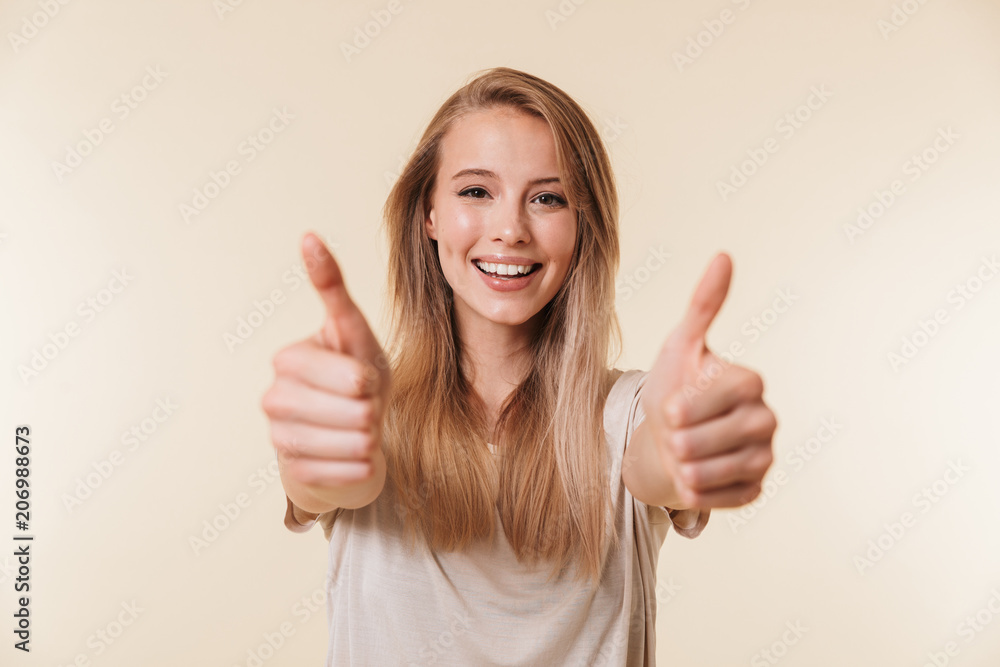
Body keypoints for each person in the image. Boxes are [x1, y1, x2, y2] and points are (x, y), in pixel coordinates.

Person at [260, 66, 777, 666]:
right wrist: (316, 448)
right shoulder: (365, 414)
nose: (510, 229)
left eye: (548, 198)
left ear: (584, 229)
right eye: (476, 191)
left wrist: (692, 439)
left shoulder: (631, 412)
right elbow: (328, 478)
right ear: (428, 213)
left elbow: (657, 458)